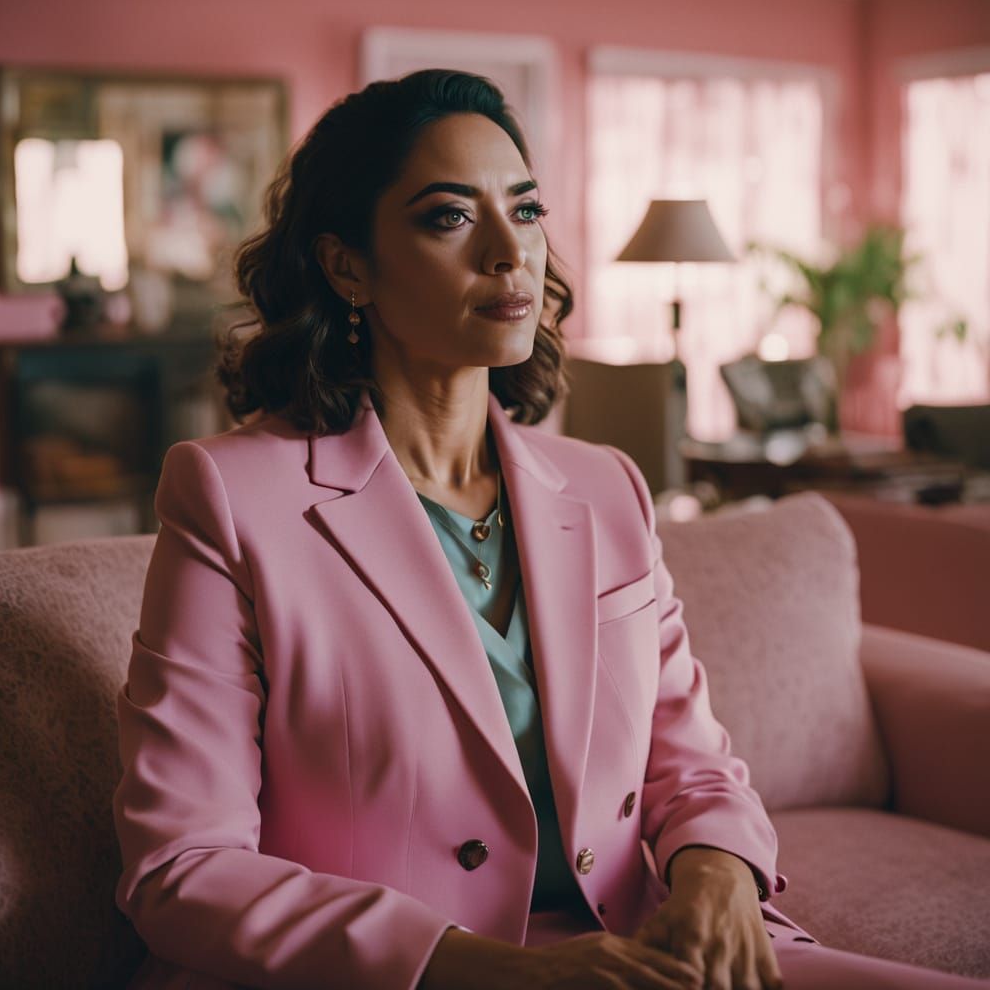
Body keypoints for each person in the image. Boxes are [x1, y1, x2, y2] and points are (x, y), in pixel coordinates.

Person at [113, 69, 985, 990]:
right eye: (450, 217)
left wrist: (719, 873)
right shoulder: (229, 497)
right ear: (346, 266)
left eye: (525, 211)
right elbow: (181, 866)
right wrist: (482, 971)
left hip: (647, 951)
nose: (509, 252)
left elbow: (688, 761)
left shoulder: (605, 486)